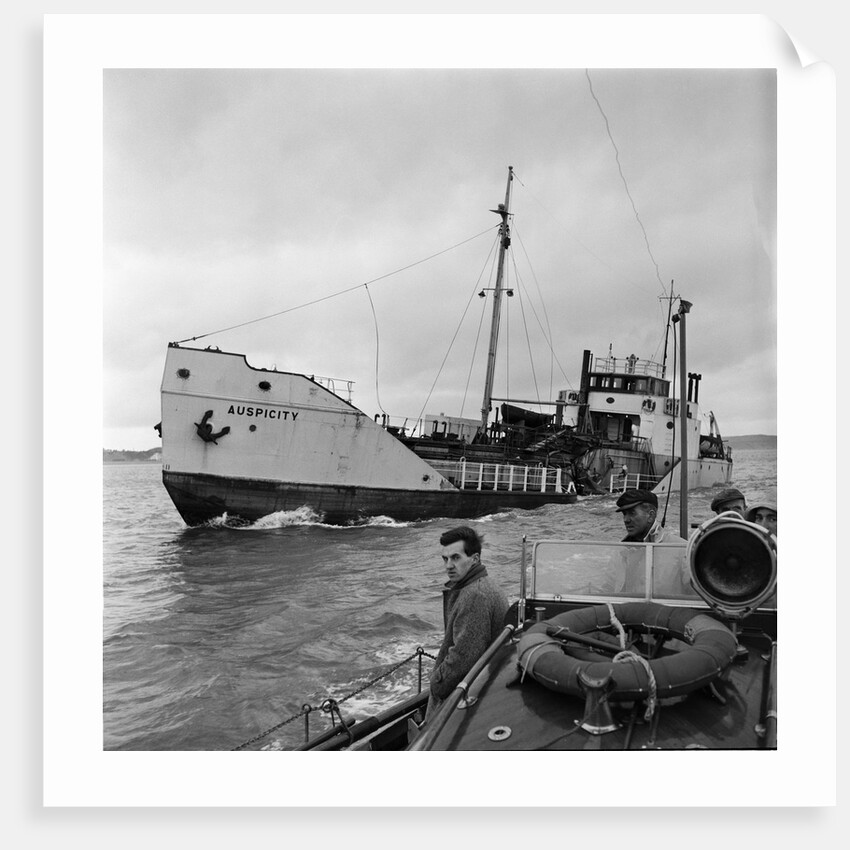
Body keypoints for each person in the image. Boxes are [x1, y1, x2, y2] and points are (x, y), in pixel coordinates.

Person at [425, 526, 509, 721]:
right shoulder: (478, 586)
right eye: (445, 559)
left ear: (475, 559)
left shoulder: (475, 596)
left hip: (471, 699)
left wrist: (436, 684)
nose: (448, 566)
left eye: (456, 557)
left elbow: (463, 657)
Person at [614, 489, 690, 597]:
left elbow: (697, 598)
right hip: (629, 612)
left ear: (650, 515)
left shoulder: (682, 549)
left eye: (632, 513)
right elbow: (607, 588)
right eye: (624, 514)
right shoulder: (622, 551)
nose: (626, 519)